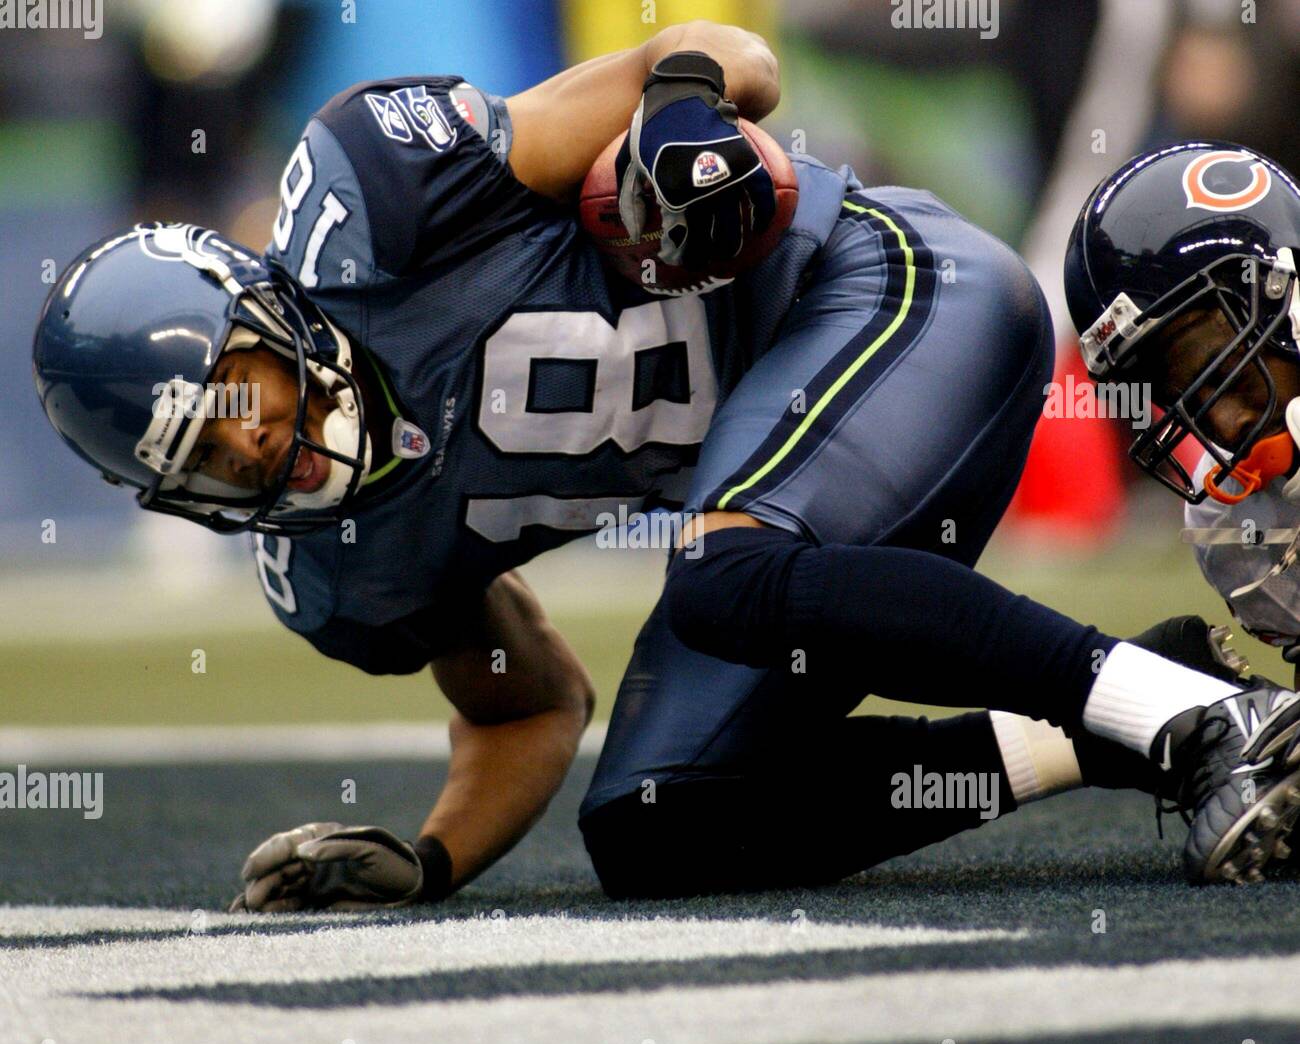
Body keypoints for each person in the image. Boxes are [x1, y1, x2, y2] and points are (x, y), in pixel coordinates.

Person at [32, 23, 1300, 908]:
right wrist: (427, 862)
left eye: (232, 397)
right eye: (205, 457)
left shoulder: (377, 196)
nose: (253, 443)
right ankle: (1131, 713)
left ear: (259, 311)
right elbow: (528, 707)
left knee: (722, 578)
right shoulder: (341, 575)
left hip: (895, 291)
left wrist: (682, 124)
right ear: (178, 499)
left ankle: (1210, 726)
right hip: (789, 510)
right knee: (658, 826)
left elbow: (709, 54)